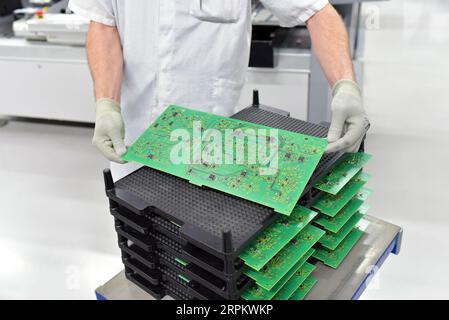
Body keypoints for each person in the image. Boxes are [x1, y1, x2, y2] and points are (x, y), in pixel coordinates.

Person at [69, 0, 370, 180]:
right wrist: (106, 104)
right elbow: (103, 23)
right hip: (133, 140)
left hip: (211, 141)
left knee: (206, 253)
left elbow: (316, 11)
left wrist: (345, 85)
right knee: (142, 244)